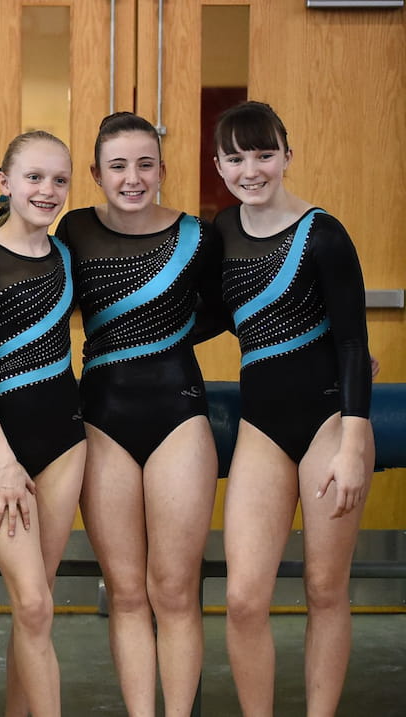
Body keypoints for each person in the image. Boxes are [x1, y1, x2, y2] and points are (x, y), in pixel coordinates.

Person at [55, 112, 224, 716]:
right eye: (118, 166)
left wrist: (341, 360)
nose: (133, 178)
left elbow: (238, 308)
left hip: (179, 414)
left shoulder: (198, 238)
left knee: (174, 591)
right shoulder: (73, 230)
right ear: (96, 174)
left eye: (145, 164)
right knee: (127, 593)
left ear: (163, 169)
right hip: (101, 418)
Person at [212, 101, 374, 716]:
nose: (250, 169)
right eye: (235, 157)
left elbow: (355, 343)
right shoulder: (222, 232)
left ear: (286, 155)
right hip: (262, 428)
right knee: (246, 599)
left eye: (263, 154)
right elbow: (204, 316)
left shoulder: (323, 234)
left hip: (331, 425)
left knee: (324, 589)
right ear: (219, 165)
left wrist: (354, 448)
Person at [0, 131, 85, 716]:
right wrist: (3, 458)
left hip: (64, 440)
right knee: (32, 602)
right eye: (33, 177)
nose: (47, 190)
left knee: (37, 604)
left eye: (59, 179)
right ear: (4, 181)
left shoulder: (64, 257)